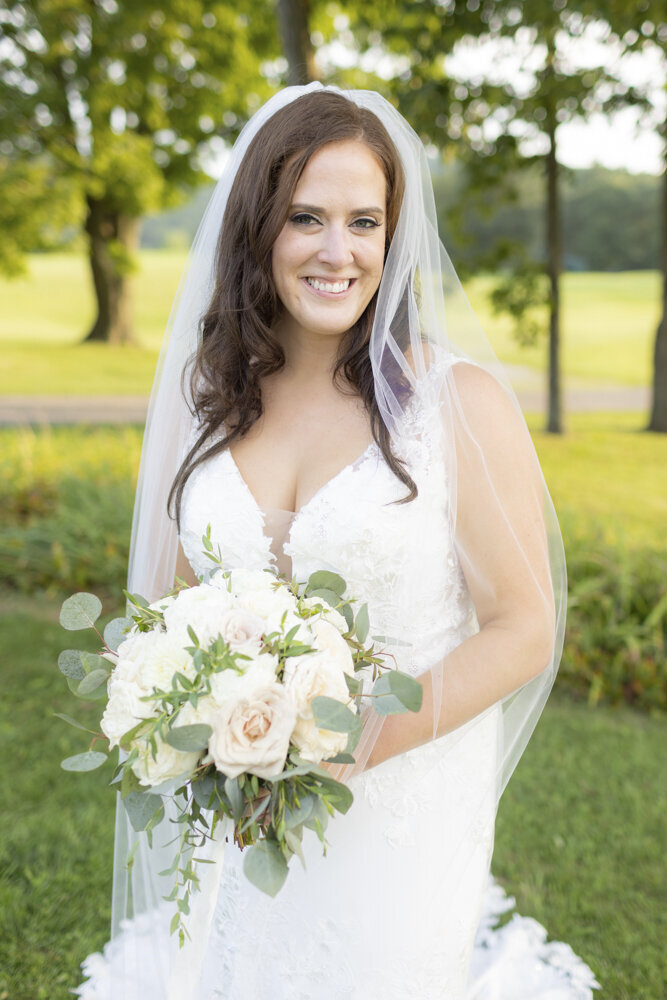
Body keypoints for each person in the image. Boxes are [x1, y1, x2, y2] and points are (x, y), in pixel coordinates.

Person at [74, 84, 600, 999]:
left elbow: (522, 628)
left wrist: (356, 739)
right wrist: (196, 720)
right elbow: (174, 608)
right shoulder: (217, 396)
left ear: (394, 239)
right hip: (241, 804)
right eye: (305, 218)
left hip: (399, 807)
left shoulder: (454, 404)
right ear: (257, 230)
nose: (336, 251)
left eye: (364, 221)